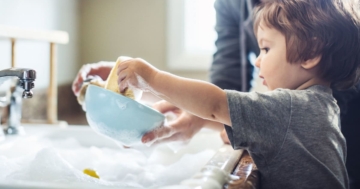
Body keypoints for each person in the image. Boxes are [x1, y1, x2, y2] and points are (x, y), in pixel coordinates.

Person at [72, 0, 360, 188]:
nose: (257, 60)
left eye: (266, 49)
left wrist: (152, 77)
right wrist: (189, 113)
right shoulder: (316, 104)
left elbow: (214, 103)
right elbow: (224, 108)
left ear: (310, 52)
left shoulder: (289, 108)